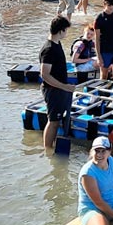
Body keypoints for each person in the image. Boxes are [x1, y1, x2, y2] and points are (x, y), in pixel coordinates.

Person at [40, 15, 75, 149]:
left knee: (56, 120)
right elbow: (44, 75)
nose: (66, 33)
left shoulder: (57, 44)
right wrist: (64, 86)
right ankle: (47, 149)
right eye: (66, 30)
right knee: (53, 121)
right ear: (60, 31)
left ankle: (52, 146)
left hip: (60, 89)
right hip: (53, 90)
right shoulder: (49, 49)